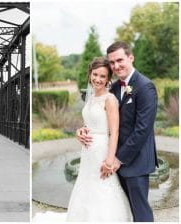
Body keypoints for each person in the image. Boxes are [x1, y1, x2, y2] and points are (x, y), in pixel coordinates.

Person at [33, 57, 132, 222]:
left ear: (108, 79)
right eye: (95, 75)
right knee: (86, 184)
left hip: (102, 151)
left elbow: (114, 132)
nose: (98, 79)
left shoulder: (110, 100)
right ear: (90, 74)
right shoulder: (91, 97)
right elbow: (89, 123)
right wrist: (81, 131)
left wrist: (109, 159)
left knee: (103, 185)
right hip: (88, 152)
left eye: (102, 76)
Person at [77, 41, 158, 222]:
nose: (116, 66)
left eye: (120, 60)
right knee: (120, 209)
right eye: (112, 62)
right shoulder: (112, 88)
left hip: (134, 161)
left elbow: (142, 130)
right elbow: (104, 120)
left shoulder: (145, 87)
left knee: (140, 211)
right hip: (109, 157)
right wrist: (82, 130)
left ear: (131, 57)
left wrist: (117, 159)